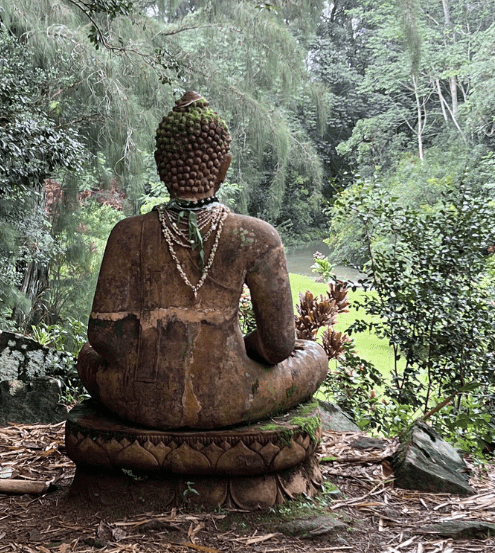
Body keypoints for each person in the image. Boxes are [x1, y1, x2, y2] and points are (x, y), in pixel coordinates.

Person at [77, 92, 328, 429]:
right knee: (313, 355)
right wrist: (239, 346)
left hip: (138, 399)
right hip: (232, 395)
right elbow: (278, 345)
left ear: (161, 165)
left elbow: (104, 337)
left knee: (87, 358)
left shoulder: (127, 233)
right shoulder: (256, 236)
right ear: (222, 166)